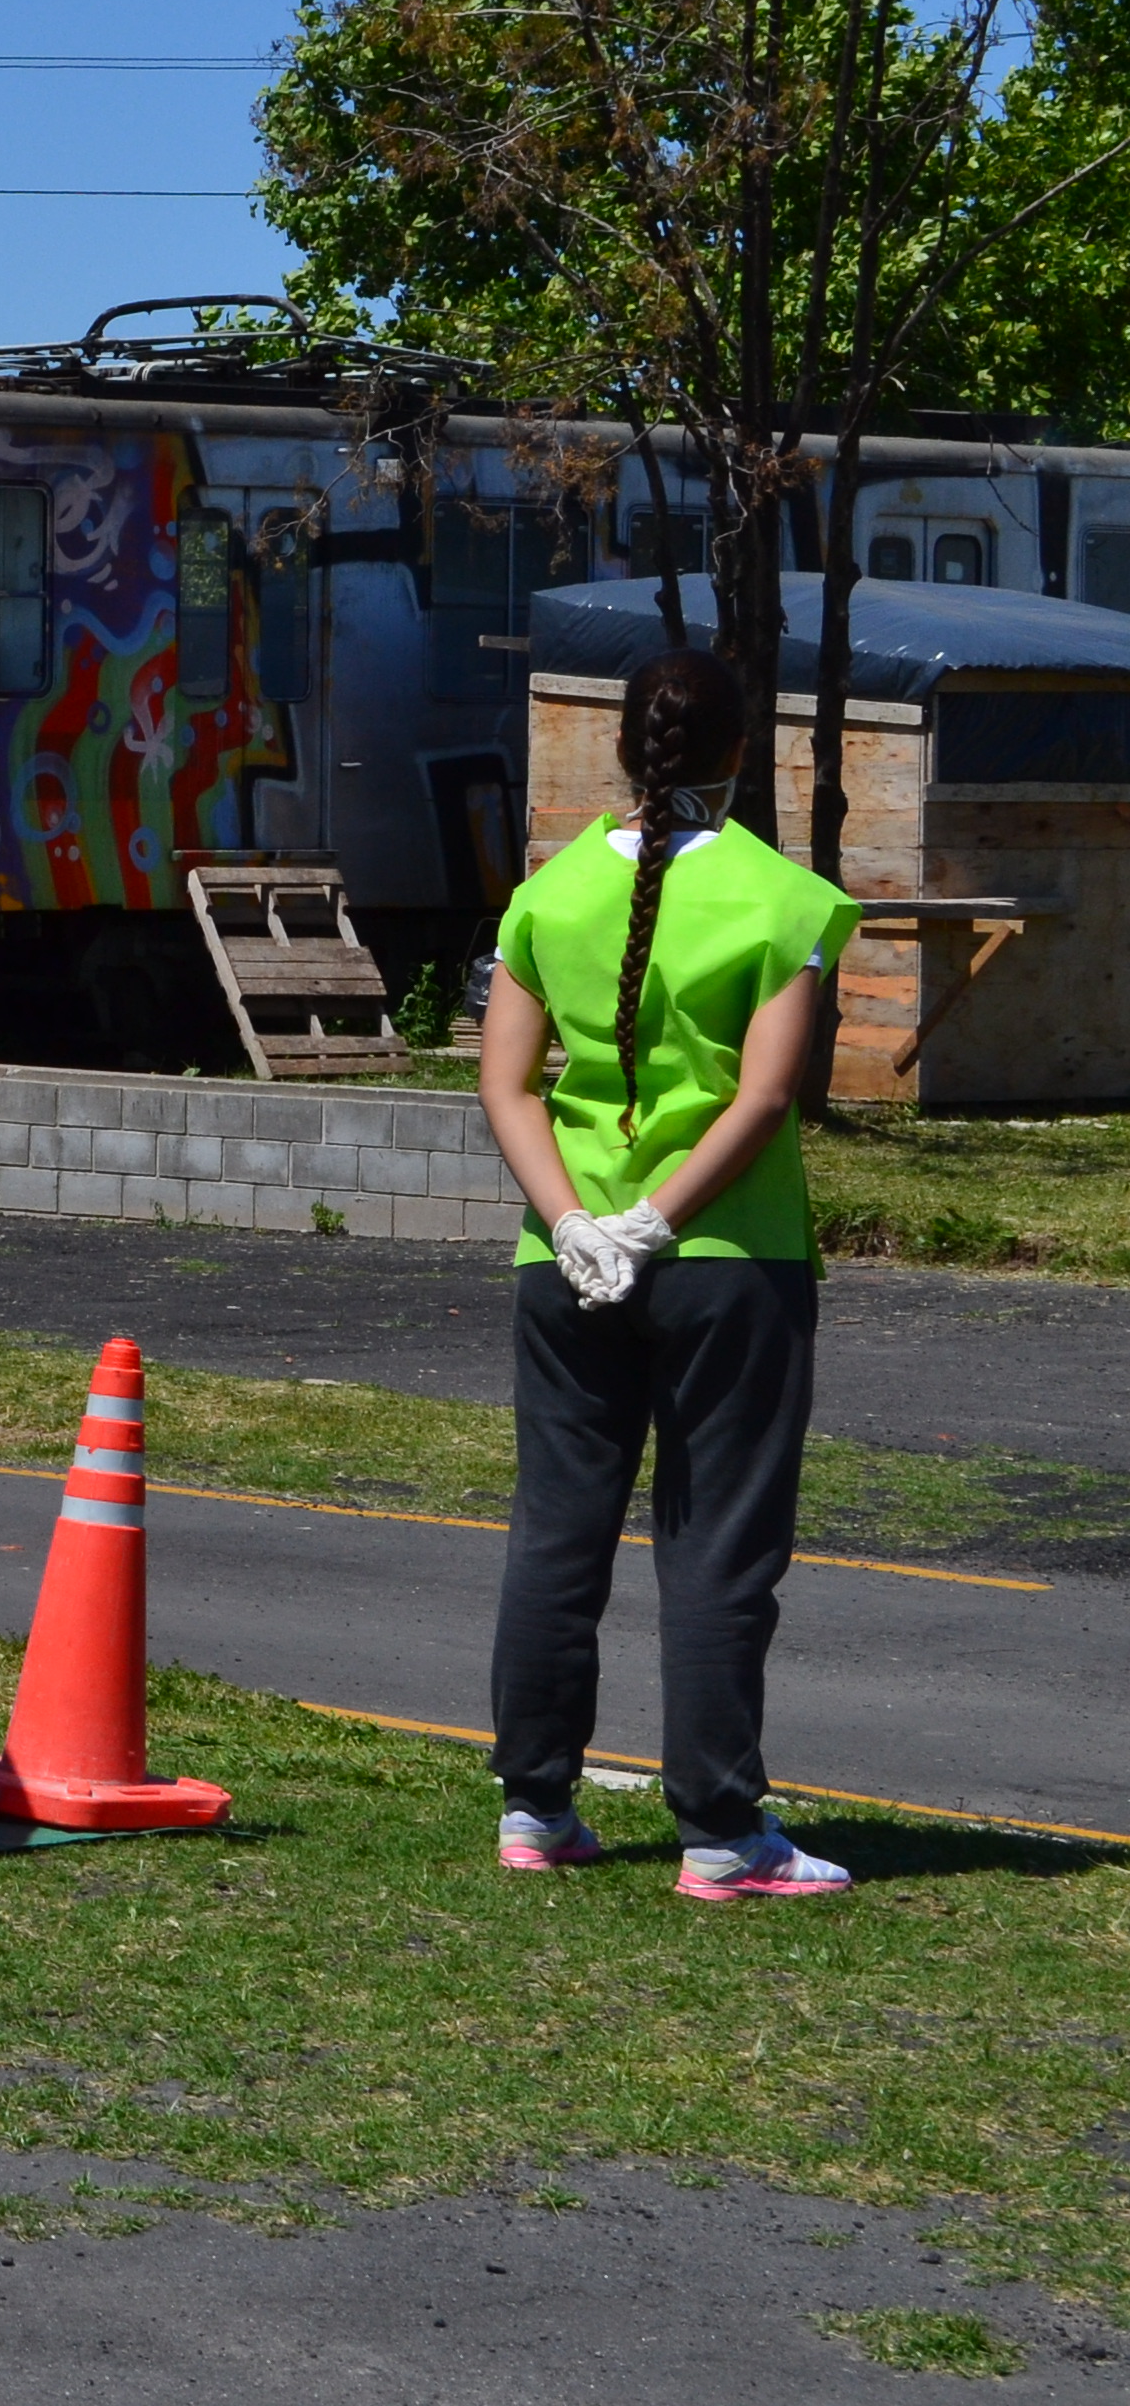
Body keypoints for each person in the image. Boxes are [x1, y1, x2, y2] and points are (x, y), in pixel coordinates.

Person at [476, 645, 861, 1899]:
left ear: (625, 751)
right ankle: (719, 1831)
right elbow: (764, 1098)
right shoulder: (781, 898)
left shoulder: (553, 889)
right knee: (716, 1548)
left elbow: (505, 1082)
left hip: (559, 1260)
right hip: (727, 1260)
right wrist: (654, 1220)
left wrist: (579, 1221)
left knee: (557, 1533)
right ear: (742, 754)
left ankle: (535, 1809)